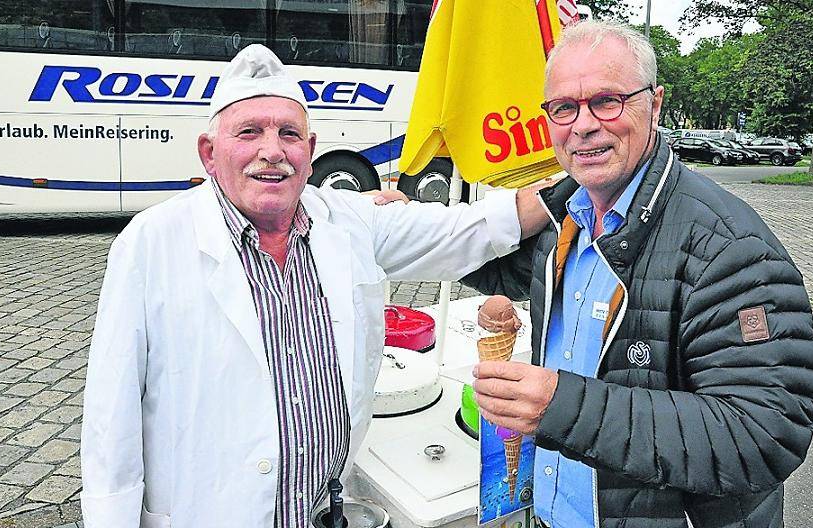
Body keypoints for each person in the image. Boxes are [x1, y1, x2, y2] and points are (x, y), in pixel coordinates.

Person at [80, 44, 549, 528]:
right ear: (209, 153)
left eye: (289, 134)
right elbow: (110, 417)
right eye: (249, 132)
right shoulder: (152, 242)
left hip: (319, 510)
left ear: (310, 151)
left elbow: (471, 228)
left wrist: (580, 175)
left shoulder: (347, 221)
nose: (272, 150)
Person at [464, 20, 813, 528]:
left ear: (654, 105)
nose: (583, 125)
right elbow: (488, 261)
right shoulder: (563, 217)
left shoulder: (729, 246)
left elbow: (763, 435)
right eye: (564, 107)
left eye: (607, 101)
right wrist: (396, 219)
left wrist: (558, 406)